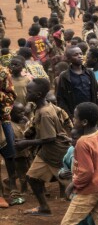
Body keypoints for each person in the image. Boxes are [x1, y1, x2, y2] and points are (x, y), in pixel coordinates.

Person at [18, 78, 72, 216]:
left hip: (56, 152)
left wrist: (26, 143)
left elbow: (50, 138)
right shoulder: (44, 107)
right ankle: (44, 207)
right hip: (46, 152)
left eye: (29, 91)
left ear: (38, 94)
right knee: (32, 176)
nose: (26, 93)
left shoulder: (45, 113)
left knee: (71, 186)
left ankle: (84, 215)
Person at [56, 46, 98, 117]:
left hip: (91, 111)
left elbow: (96, 92)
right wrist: (69, 116)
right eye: (76, 55)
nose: (80, 56)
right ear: (69, 58)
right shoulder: (64, 76)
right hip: (74, 114)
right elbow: (60, 98)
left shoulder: (89, 73)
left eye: (81, 54)